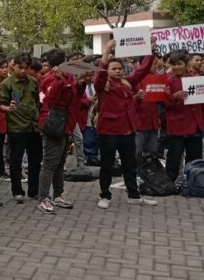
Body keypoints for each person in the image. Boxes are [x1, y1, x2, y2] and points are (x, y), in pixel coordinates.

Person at [93, 39, 158, 209]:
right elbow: (98, 76)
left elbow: (143, 70)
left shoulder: (127, 82)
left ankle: (133, 195)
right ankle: (105, 196)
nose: (118, 71)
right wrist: (107, 51)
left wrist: (150, 50)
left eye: (120, 68)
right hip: (108, 131)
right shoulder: (103, 85)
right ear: (107, 70)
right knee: (107, 166)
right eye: (113, 69)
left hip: (128, 131)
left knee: (130, 165)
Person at [37, 49, 88, 214]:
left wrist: (81, 84)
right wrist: (60, 81)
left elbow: (74, 97)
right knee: (50, 163)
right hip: (53, 125)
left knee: (60, 163)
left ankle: (58, 194)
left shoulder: (69, 78)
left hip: (66, 125)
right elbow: (49, 99)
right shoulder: (50, 79)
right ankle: (43, 198)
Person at [0, 53, 43, 202]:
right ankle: (17, 191)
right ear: (14, 66)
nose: (23, 71)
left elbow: (37, 101)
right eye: (20, 67)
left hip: (33, 127)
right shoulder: (7, 83)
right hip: (16, 127)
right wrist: (8, 108)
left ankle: (34, 190)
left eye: (26, 68)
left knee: (35, 160)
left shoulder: (34, 82)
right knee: (16, 160)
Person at [164, 51, 204, 182]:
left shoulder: (196, 79)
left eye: (179, 64)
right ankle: (169, 183)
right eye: (173, 64)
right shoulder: (168, 81)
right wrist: (174, 97)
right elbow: (164, 105)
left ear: (187, 64)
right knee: (174, 158)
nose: (176, 67)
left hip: (196, 125)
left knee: (194, 159)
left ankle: (192, 183)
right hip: (177, 126)